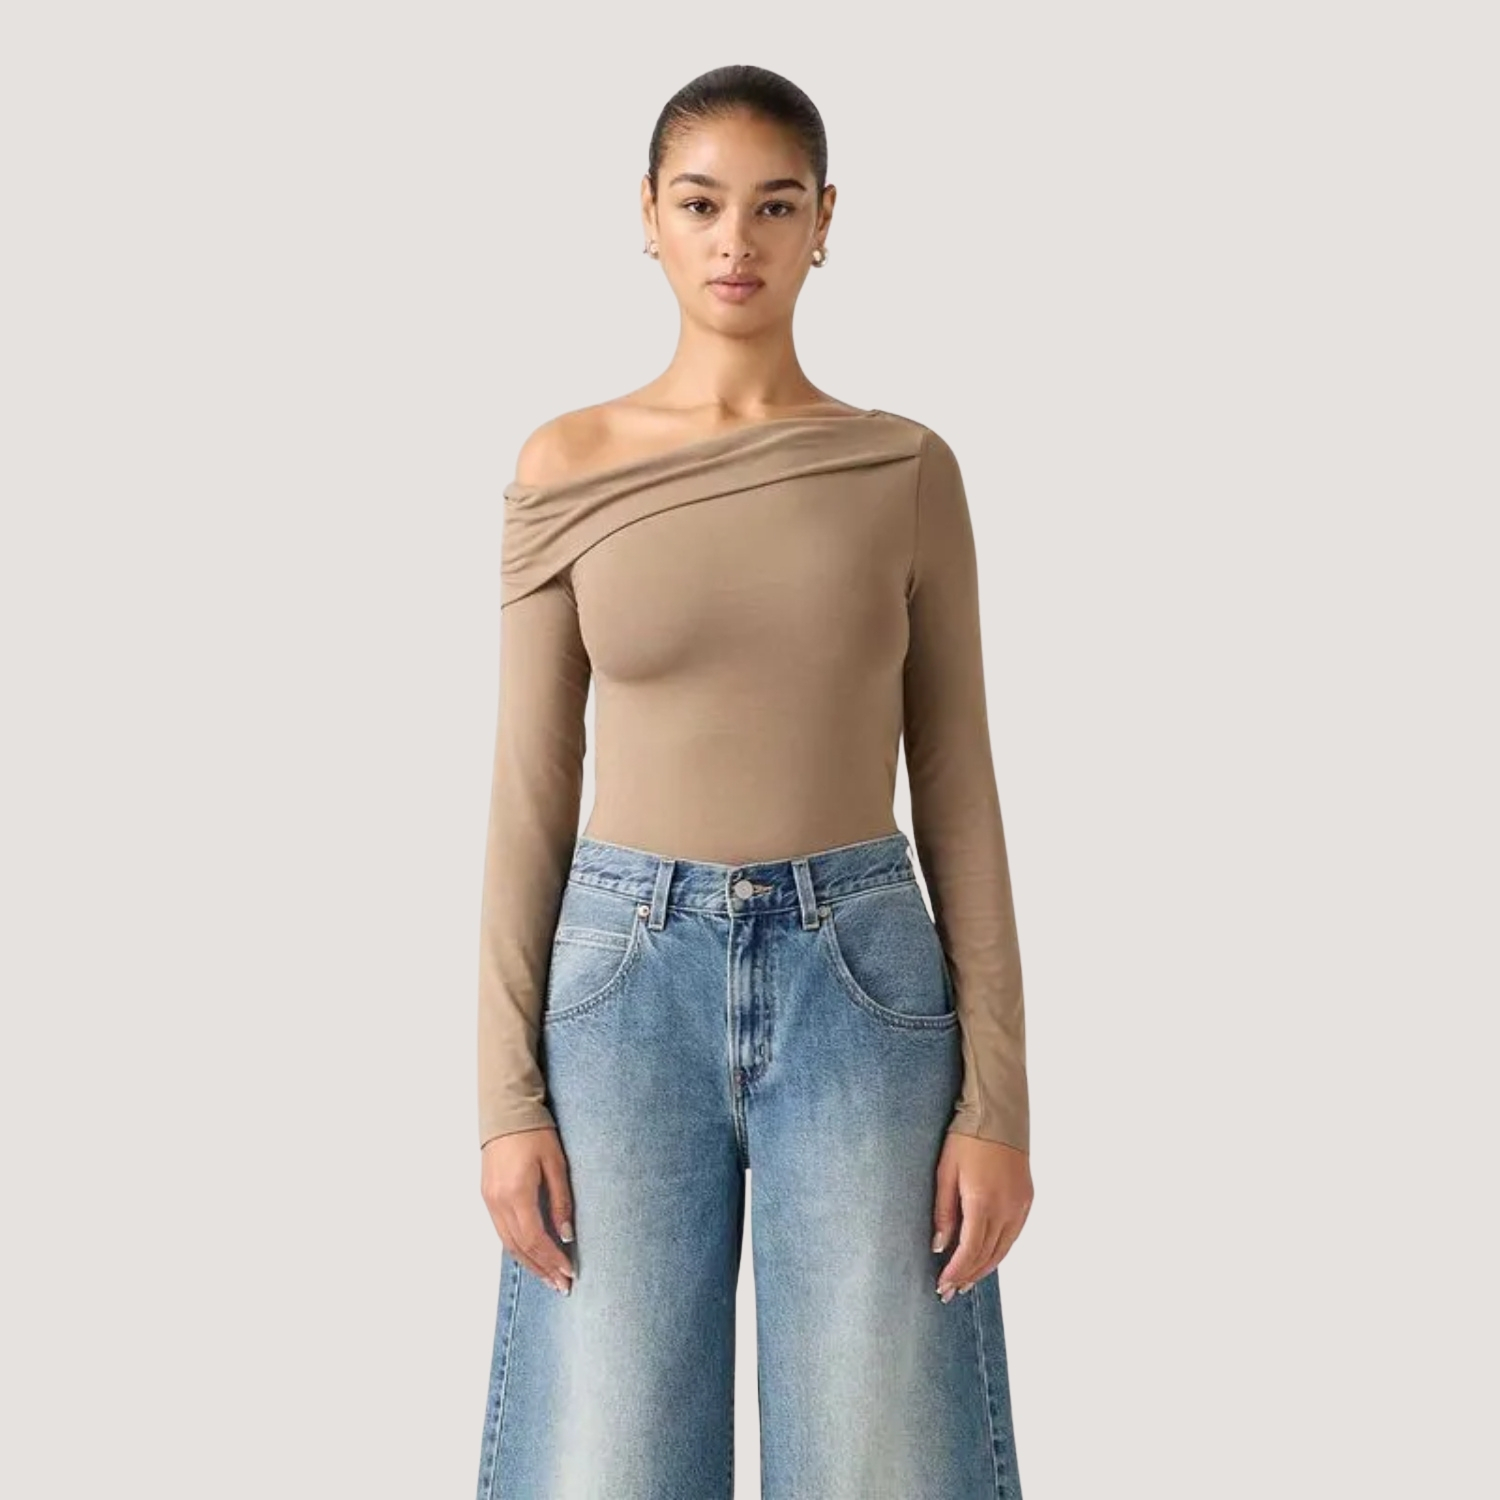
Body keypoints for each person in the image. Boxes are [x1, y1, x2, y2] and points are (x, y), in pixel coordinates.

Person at [474, 63, 1033, 1500]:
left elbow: (957, 786)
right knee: (606, 1461)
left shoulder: (903, 468)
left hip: (862, 982)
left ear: (826, 221)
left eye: (775, 206)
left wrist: (998, 1104)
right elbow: (530, 792)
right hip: (620, 991)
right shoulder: (567, 465)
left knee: (878, 1456)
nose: (737, 241)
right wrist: (504, 1099)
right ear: (647, 217)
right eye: (701, 204)